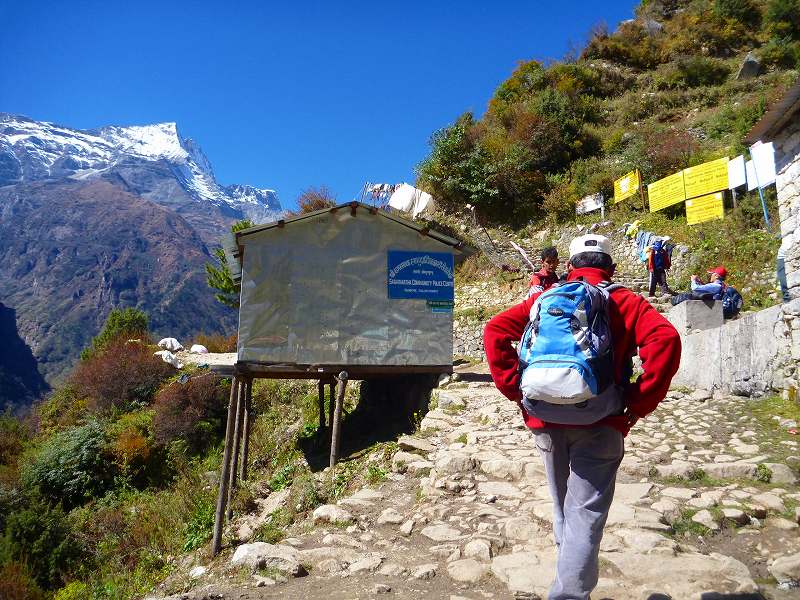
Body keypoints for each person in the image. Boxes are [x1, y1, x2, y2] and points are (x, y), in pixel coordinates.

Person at [484, 234, 681, 600]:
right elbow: (666, 340)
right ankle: (570, 594)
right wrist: (638, 403)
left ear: (570, 267)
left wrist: (516, 391)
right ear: (612, 267)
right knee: (585, 514)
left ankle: (567, 583)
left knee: (562, 508)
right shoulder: (626, 301)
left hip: (544, 418)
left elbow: (495, 330)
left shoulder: (545, 297)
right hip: (601, 422)